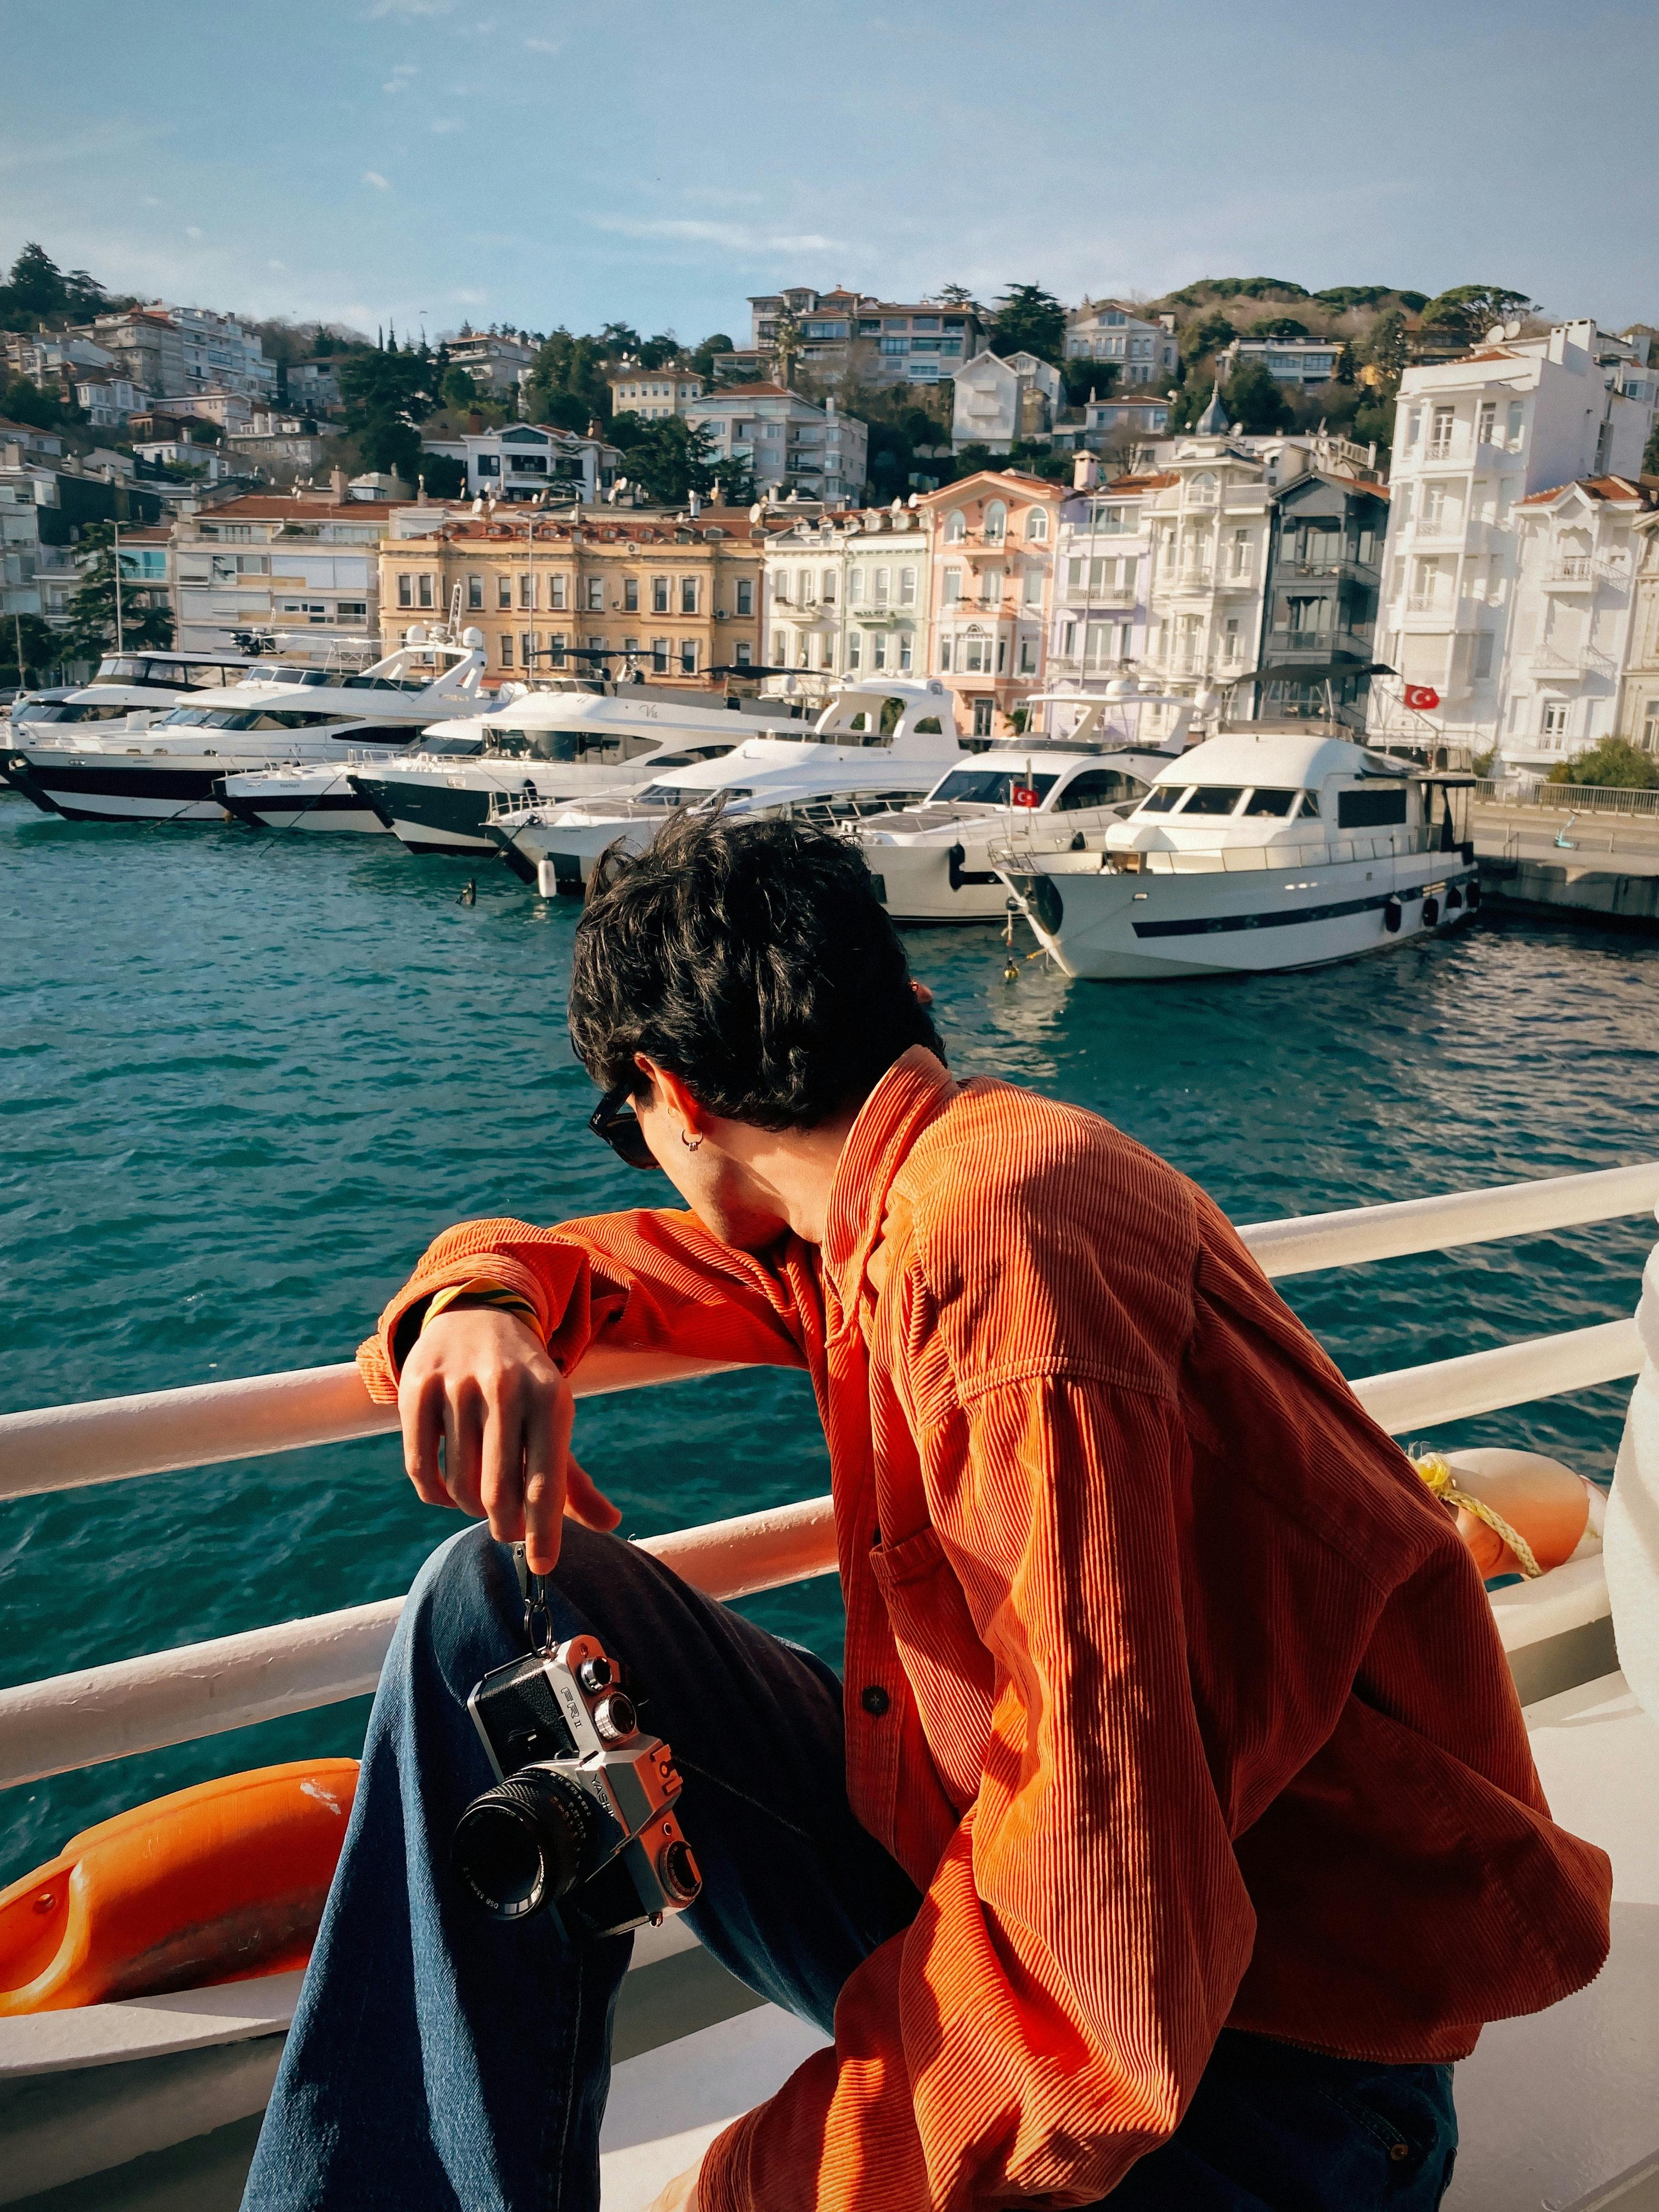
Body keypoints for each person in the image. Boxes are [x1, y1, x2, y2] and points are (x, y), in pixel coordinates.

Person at [244, 815, 1611, 2212]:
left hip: (1271, 2090)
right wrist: (480, 1300)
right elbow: (621, 1265)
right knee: (489, 1605)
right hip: (1098, 1943)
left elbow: (1108, 1973)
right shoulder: (891, 1209)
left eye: (622, 1123)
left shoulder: (998, 1248)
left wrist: (751, 2188)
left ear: (671, 1092)